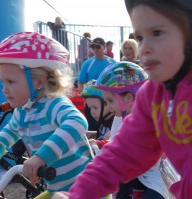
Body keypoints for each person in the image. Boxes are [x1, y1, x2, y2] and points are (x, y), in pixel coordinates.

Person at [51, 0, 192, 198]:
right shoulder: (154, 95)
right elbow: (124, 152)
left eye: (157, 33)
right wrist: (78, 194)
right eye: (140, 37)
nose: (144, 49)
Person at [0, 32, 92, 199]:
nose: (4, 89)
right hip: (57, 190)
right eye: (3, 82)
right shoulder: (23, 110)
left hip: (88, 188)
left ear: (39, 81)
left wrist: (41, 156)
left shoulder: (53, 104)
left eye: (11, 82)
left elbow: (77, 122)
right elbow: (11, 130)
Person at [96, 62, 168, 198]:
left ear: (129, 98)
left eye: (110, 101)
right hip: (130, 175)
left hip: (154, 177)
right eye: (105, 102)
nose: (108, 106)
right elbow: (114, 142)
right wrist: (99, 146)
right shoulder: (119, 116)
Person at [77, 37, 116, 132]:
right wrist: (85, 97)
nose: (95, 50)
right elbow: (80, 82)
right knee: (92, 128)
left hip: (107, 103)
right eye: (93, 47)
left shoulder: (112, 63)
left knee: (109, 128)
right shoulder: (88, 63)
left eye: (98, 47)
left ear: (104, 47)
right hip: (92, 101)